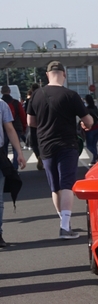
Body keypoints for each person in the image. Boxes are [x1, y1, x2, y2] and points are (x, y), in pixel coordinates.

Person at [27, 60, 93, 239]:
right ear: (63, 74)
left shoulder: (36, 95)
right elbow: (89, 121)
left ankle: (64, 222)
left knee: (55, 187)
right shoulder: (71, 95)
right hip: (67, 144)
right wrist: (81, 123)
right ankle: (65, 226)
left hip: (45, 145)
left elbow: (30, 122)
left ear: (47, 75)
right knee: (67, 184)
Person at [0, 99, 27, 247]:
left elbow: (10, 129)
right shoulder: (1, 104)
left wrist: (19, 152)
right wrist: (19, 152)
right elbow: (9, 129)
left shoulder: (1, 104)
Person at [1, 85, 27, 170]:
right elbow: (22, 115)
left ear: (1, 92)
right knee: (15, 149)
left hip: (3, 130)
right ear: (9, 91)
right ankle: (14, 167)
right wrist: (24, 127)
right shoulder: (12, 103)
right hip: (16, 127)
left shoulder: (3, 103)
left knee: (5, 149)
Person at [84, 95, 98, 166]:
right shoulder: (96, 108)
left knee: (89, 146)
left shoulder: (87, 109)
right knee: (94, 145)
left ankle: (97, 156)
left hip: (91, 128)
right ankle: (94, 160)